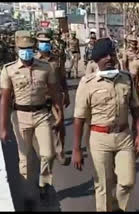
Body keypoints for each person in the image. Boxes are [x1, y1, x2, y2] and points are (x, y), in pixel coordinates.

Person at [72, 38, 139, 212]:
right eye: (104, 55)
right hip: (99, 138)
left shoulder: (126, 78)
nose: (110, 58)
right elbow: (79, 118)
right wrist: (77, 149)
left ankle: (117, 208)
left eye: (112, 54)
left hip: (124, 137)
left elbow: (136, 109)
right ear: (97, 59)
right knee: (103, 186)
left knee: (127, 182)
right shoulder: (87, 83)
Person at [0, 30, 63, 205]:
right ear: (16, 49)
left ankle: (44, 183)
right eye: (22, 48)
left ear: (33, 48)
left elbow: (54, 91)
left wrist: (59, 113)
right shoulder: (9, 70)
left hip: (42, 114)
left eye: (29, 48)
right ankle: (29, 192)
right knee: (25, 158)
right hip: (20, 116)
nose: (26, 51)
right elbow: (5, 98)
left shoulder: (45, 67)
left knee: (48, 154)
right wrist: (3, 127)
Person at [34, 31, 70, 165]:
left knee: (60, 124)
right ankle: (46, 151)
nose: (44, 45)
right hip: (41, 98)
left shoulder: (56, 59)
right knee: (42, 125)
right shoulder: (34, 60)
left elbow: (62, 77)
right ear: (38, 44)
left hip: (56, 97)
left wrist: (66, 93)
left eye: (46, 42)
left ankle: (60, 151)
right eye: (41, 42)